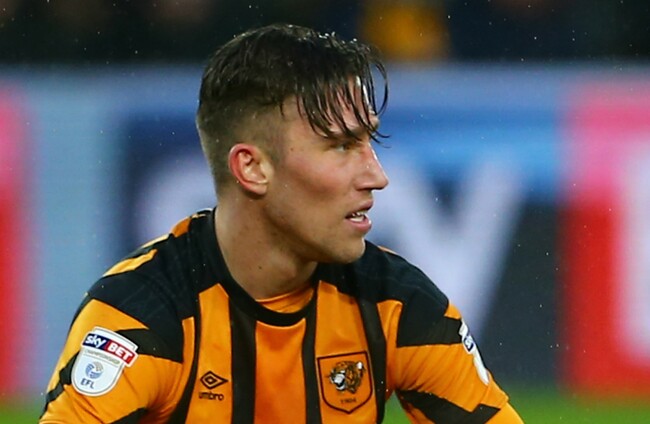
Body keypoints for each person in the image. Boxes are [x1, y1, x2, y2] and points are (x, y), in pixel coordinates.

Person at [40, 23, 523, 423]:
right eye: (341, 146)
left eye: (370, 143)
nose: (376, 176)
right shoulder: (142, 315)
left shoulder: (394, 303)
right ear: (252, 168)